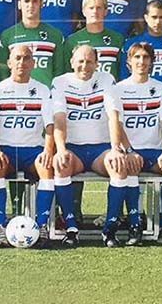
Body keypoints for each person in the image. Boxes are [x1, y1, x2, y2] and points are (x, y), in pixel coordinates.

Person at [51, 44, 131, 247]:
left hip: (100, 149)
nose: (84, 66)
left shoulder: (106, 79)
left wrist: (116, 148)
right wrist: (61, 150)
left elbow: (113, 116)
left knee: (119, 165)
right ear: (72, 62)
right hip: (74, 148)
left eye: (89, 62)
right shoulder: (60, 82)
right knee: (61, 165)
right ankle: (71, 228)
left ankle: (109, 229)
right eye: (80, 61)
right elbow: (59, 119)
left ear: (96, 64)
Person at [109, 42, 162, 247]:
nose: (141, 61)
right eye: (137, 57)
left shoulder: (160, 87)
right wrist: (129, 151)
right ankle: (135, 224)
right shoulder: (118, 89)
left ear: (151, 61)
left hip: (155, 150)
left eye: (146, 57)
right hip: (131, 150)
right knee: (130, 167)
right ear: (129, 62)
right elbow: (117, 124)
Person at [0, 44, 56, 248]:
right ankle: (0, 226)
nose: (22, 62)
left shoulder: (42, 90)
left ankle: (41, 226)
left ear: (33, 63)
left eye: (26, 58)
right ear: (9, 63)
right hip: (6, 149)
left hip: (33, 150)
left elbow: (50, 126)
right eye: (17, 58)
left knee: (47, 167)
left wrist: (48, 151)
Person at [0, 0, 65, 86]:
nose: (31, 5)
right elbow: (2, 72)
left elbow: (59, 72)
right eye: (26, 1)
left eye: (35, 1)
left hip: (46, 93)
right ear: (19, 5)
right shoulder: (8, 35)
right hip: (17, 92)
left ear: (41, 4)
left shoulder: (55, 35)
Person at [121, 0, 162, 89]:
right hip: (138, 94)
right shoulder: (132, 43)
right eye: (154, 17)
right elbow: (124, 76)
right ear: (146, 18)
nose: (158, 22)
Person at [64, 0, 124, 80]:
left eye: (99, 8)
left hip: (109, 88)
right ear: (84, 11)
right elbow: (67, 74)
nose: (95, 11)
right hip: (81, 88)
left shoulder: (117, 39)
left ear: (105, 11)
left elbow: (122, 73)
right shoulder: (72, 40)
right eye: (91, 8)